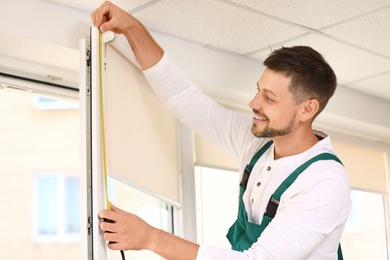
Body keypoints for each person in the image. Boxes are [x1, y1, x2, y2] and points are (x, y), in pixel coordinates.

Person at [91, 2, 351, 259]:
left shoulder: (324, 181)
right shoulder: (257, 142)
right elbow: (185, 98)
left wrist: (150, 238)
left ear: (307, 110)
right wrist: (132, 27)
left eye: (269, 98)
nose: (253, 103)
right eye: (258, 90)